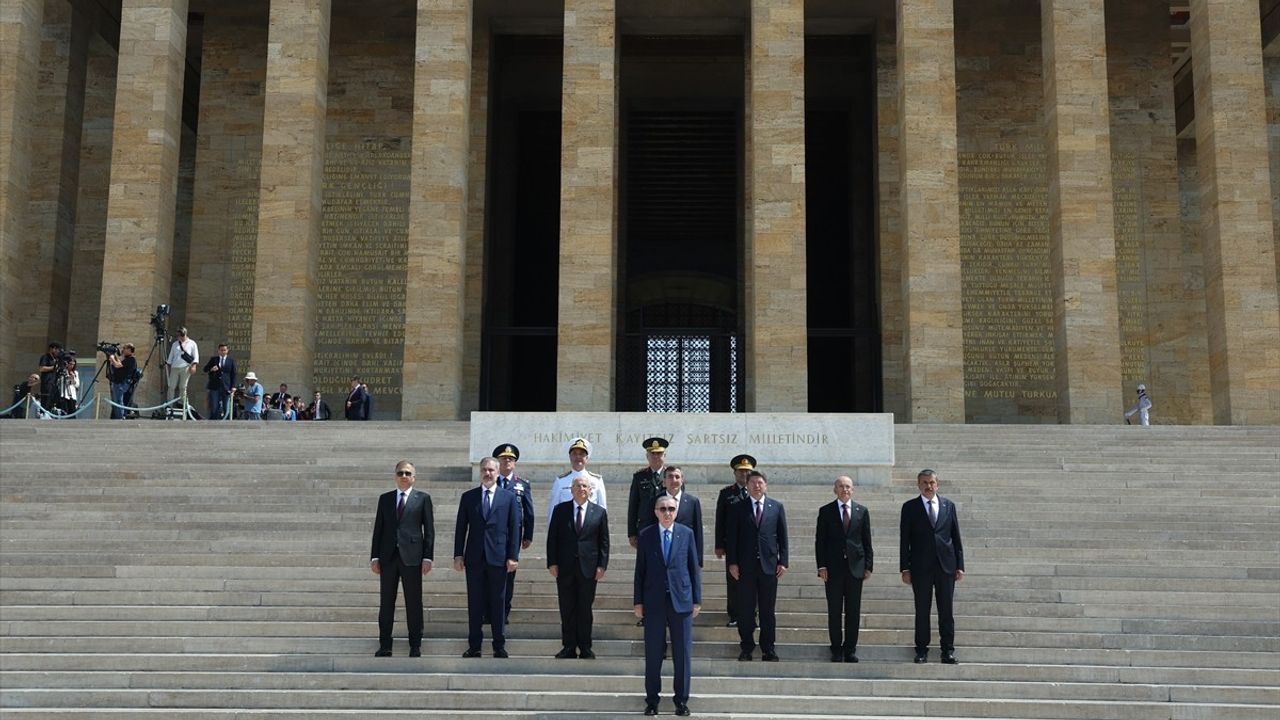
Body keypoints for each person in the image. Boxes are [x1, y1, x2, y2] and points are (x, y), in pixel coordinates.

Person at [634, 495, 701, 717]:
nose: (667, 513)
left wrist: (696, 599)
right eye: (662, 509)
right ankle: (652, 700)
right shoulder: (646, 535)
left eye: (671, 509)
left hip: (681, 601)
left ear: (677, 511)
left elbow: (693, 568)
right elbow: (640, 571)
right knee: (653, 653)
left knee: (682, 654)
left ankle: (681, 701)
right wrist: (638, 601)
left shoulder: (686, 533)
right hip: (653, 601)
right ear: (655, 512)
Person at [453, 457, 521, 658]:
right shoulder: (469, 497)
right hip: (474, 558)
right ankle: (474, 646)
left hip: (498, 558)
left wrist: (513, 556)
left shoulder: (508, 498)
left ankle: (499, 645)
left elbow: (515, 528)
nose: (487, 473)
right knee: (475, 603)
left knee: (498, 602)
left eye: (491, 470)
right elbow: (461, 528)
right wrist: (458, 554)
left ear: (498, 472)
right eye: (484, 470)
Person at [370, 460, 434, 657]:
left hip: (412, 557)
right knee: (386, 602)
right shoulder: (385, 499)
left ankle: (415, 644)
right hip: (388, 557)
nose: (404, 476)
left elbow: (429, 530)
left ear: (414, 477)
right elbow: (378, 529)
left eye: (407, 473)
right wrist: (374, 556)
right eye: (400, 473)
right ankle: (385, 644)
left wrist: (428, 557)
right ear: (395, 476)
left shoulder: (423, 498)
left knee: (413, 602)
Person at [900, 469, 965, 664]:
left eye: (932, 482)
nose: (928, 486)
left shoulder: (948, 506)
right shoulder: (909, 507)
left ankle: (947, 651)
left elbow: (955, 536)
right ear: (918, 485)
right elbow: (905, 540)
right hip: (920, 567)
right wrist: (905, 568)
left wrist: (960, 565)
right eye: (924, 483)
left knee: (946, 611)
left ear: (937, 484)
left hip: (946, 566)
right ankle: (921, 650)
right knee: (922, 610)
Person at [726, 469, 788, 662]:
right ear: (747, 485)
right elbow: (732, 539)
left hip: (769, 567)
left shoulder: (776, 507)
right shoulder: (738, 507)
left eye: (760, 482)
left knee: (767, 611)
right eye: (752, 482)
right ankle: (746, 646)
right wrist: (732, 563)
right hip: (745, 567)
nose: (756, 486)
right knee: (745, 610)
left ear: (765, 485)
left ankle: (768, 648)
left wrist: (783, 561)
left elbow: (782, 537)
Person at [546, 475, 610, 659]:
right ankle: (568, 646)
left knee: (584, 608)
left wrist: (602, 565)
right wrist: (552, 562)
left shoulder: (599, 512)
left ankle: (585, 647)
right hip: (565, 567)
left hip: (588, 568)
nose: (581, 489)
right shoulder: (560, 510)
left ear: (590, 490)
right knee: (566, 608)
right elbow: (552, 538)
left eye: (585, 486)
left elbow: (604, 542)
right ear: (571, 490)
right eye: (577, 486)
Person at [815, 475, 873, 663]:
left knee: (853, 611)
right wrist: (821, 565)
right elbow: (820, 541)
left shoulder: (862, 511)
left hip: (855, 568)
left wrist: (868, 566)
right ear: (835, 490)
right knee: (834, 610)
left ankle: (850, 650)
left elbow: (866, 541)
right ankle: (836, 649)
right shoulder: (826, 511)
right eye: (841, 486)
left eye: (848, 486)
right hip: (833, 569)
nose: (845, 489)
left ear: (852, 490)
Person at [494, 443, 533, 625]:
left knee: (509, 574)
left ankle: (504, 611)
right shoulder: (491, 481)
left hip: (512, 536)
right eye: (503, 458)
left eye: (510, 459)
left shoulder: (522, 484)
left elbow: (528, 511)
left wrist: (528, 535)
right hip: (493, 535)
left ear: (515, 463)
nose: (507, 461)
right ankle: (489, 610)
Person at [714, 454, 755, 627]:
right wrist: (719, 544)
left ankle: (752, 614)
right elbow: (720, 520)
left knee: (753, 582)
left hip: (752, 545)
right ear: (735, 473)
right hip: (733, 545)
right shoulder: (726, 494)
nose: (744, 474)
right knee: (733, 581)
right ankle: (735, 614)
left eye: (747, 471)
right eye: (740, 471)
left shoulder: (756, 492)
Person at [639, 466, 704, 568]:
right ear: (664, 481)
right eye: (670, 477)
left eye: (677, 477)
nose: (674, 480)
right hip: (660, 554)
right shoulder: (655, 501)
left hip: (684, 555)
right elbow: (649, 527)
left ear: (682, 480)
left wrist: (698, 561)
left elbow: (697, 531)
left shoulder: (692, 502)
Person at [546, 437, 607, 526]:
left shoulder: (597, 481)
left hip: (590, 528)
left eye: (581, 454)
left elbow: (602, 508)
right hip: (566, 527)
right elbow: (553, 509)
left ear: (587, 458)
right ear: (570, 457)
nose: (578, 457)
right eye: (574, 454)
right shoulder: (561, 481)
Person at [627, 437, 669, 548]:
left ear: (664, 455)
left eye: (659, 453)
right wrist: (632, 533)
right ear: (647, 456)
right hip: (645, 527)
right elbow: (633, 506)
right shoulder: (639, 477)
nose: (656, 456)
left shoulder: (672, 476)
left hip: (666, 526)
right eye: (652, 453)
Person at [164, 328, 199, 403]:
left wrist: (194, 366)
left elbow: (195, 356)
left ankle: (182, 403)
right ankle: (169, 403)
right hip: (175, 367)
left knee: (183, 387)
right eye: (178, 336)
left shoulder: (192, 343)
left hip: (186, 367)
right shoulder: (175, 344)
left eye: (181, 336)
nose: (179, 337)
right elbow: (171, 355)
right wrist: (168, 363)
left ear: (185, 335)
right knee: (171, 386)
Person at [203, 343, 236, 420]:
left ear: (227, 351)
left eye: (224, 350)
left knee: (226, 406)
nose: (223, 352)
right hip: (215, 386)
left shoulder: (231, 361)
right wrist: (211, 369)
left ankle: (226, 421)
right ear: (218, 351)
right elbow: (205, 369)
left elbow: (233, 374)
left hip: (226, 386)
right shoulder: (214, 359)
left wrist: (233, 386)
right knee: (214, 406)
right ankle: (213, 421)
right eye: (221, 350)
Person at [107, 344, 137, 420]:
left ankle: (120, 418)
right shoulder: (126, 360)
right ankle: (119, 417)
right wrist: (114, 357)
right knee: (117, 401)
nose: (123, 350)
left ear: (130, 350)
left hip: (122, 383)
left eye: (125, 348)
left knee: (118, 401)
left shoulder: (131, 359)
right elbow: (119, 364)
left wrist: (112, 357)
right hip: (119, 382)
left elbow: (117, 365)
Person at [36, 342, 62, 409]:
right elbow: (41, 368)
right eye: (56, 349)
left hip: (54, 383)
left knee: (53, 401)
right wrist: (53, 367)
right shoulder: (45, 357)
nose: (58, 351)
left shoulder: (56, 359)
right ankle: (44, 413)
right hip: (47, 382)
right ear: (52, 349)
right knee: (46, 400)